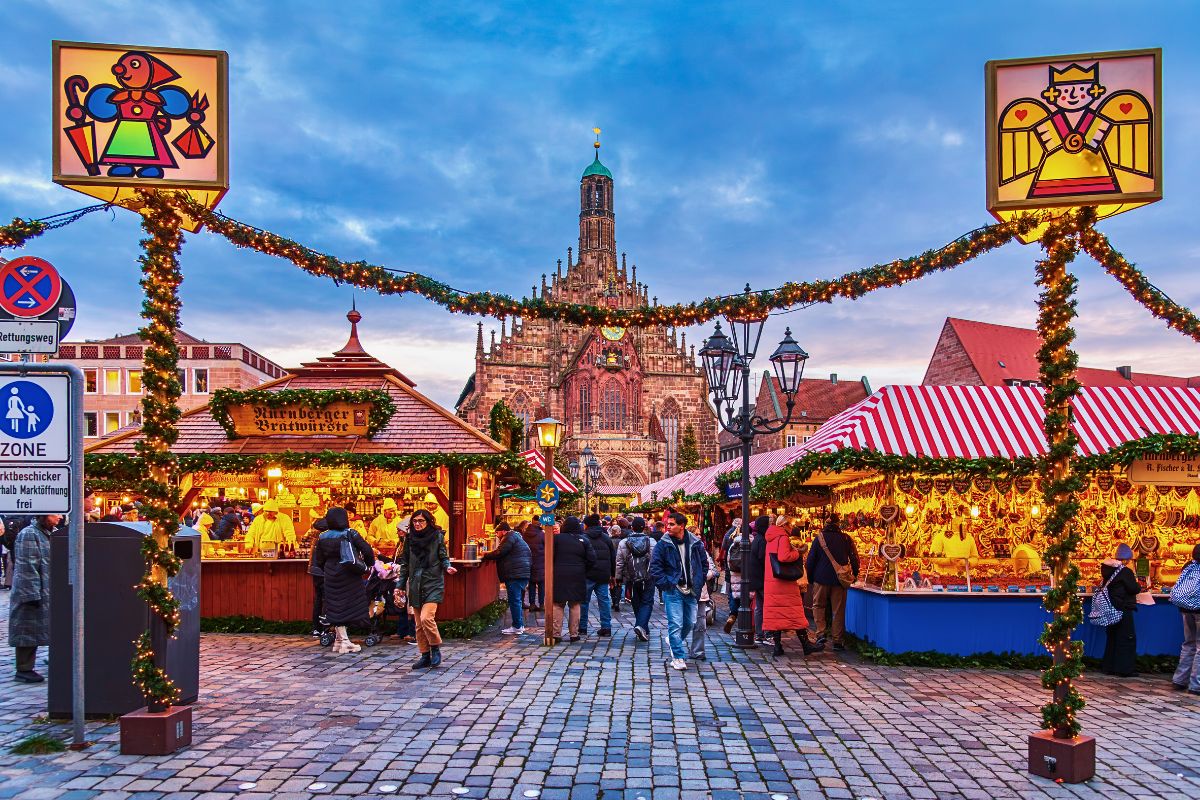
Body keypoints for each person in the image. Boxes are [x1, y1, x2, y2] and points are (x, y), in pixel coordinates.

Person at [394, 509, 456, 669]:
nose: (417, 524)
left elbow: (443, 556)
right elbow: (405, 564)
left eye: (421, 521)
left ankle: (435, 647)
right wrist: (400, 585)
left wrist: (447, 566)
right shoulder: (409, 539)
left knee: (426, 618)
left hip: (433, 582)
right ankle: (425, 655)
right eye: (415, 521)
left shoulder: (437, 537)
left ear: (428, 522)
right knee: (419, 625)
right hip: (415, 584)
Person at [649, 511, 710, 671]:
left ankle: (672, 640)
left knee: (690, 622)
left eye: (671, 524)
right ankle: (678, 657)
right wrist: (666, 583)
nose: (668, 527)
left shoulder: (696, 543)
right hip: (673, 589)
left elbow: (704, 564)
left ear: (681, 526)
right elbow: (655, 566)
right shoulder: (663, 544)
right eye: (667, 524)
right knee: (675, 623)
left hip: (691, 590)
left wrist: (699, 580)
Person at [314, 507, 374, 655]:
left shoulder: (323, 536)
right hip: (349, 574)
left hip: (331, 574)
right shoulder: (350, 533)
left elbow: (319, 559)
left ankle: (339, 640)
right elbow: (367, 550)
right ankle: (345, 642)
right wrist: (368, 565)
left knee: (335, 606)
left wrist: (328, 568)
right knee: (350, 605)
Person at [10, 515, 61, 682]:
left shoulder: (52, 533)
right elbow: (27, 566)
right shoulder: (29, 534)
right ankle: (24, 669)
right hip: (33, 592)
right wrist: (31, 594)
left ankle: (54, 660)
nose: (60, 517)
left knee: (44, 628)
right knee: (27, 630)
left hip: (47, 589)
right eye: (55, 514)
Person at [763, 518, 823, 658]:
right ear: (784, 525)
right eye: (790, 524)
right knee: (795, 613)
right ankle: (806, 645)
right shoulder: (783, 537)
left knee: (776, 615)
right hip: (784, 583)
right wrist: (798, 553)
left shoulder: (771, 537)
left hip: (773, 581)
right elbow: (784, 557)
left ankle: (777, 647)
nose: (792, 527)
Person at [806, 513, 860, 651]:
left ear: (826, 524)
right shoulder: (846, 538)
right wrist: (855, 573)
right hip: (839, 580)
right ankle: (837, 640)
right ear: (838, 525)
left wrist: (811, 578)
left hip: (820, 578)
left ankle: (820, 633)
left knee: (818, 606)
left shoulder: (819, 538)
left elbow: (810, 560)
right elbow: (854, 557)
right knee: (838, 610)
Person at [481, 521, 532, 634]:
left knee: (514, 600)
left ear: (503, 531)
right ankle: (519, 625)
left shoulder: (509, 537)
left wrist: (485, 555)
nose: (496, 535)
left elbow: (500, 552)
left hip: (515, 573)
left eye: (497, 532)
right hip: (521, 572)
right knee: (517, 600)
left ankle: (517, 626)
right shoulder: (515, 536)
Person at [1100, 542, 1141, 677]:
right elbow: (1133, 588)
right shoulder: (1125, 571)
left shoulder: (1108, 570)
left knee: (1112, 638)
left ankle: (1109, 666)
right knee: (1126, 638)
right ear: (1126, 558)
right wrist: (1139, 586)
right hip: (1123, 607)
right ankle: (1124, 669)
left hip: (1111, 609)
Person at [551, 517, 595, 643]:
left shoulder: (556, 539)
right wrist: (583, 569)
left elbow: (549, 556)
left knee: (558, 604)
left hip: (559, 574)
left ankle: (556, 634)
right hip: (577, 574)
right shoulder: (584, 540)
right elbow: (592, 559)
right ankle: (574, 634)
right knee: (575, 604)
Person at [615, 516, 655, 641]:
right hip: (648, 577)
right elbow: (655, 560)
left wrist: (618, 577)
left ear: (632, 527)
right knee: (647, 601)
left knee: (636, 601)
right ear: (644, 528)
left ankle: (641, 626)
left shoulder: (624, 542)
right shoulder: (651, 542)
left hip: (631, 577)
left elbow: (619, 562)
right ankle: (642, 626)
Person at [1170, 544, 1200, 695]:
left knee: (1189, 644)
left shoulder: (1188, 566)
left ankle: (1179, 680)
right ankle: (1196, 685)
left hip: (1185, 610)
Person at [580, 514, 615, 637]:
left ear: (587, 525)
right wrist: (613, 574)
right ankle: (606, 627)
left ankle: (582, 627)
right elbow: (613, 557)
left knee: (584, 602)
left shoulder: (583, 538)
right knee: (604, 601)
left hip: (587, 574)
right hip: (603, 574)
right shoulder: (606, 538)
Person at [719, 518, 744, 634]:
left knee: (733, 592)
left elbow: (724, 548)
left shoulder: (729, 534)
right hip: (745, 570)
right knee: (746, 592)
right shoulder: (747, 537)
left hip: (732, 569)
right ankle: (745, 616)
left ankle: (732, 614)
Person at [747, 517, 769, 643]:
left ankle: (760, 634)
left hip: (756, 578)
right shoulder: (762, 540)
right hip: (761, 578)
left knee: (759, 607)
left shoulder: (757, 539)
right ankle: (766, 633)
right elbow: (763, 558)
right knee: (765, 606)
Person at [305, 518, 329, 636]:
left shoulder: (316, 538)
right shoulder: (325, 539)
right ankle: (325, 628)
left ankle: (316, 628)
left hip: (315, 572)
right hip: (324, 572)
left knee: (319, 599)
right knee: (326, 599)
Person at [522, 519, 546, 611]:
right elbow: (547, 546)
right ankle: (541, 604)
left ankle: (532, 604)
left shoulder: (525, 535)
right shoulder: (541, 534)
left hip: (529, 562)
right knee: (541, 584)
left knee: (531, 584)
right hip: (541, 562)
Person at [609, 522, 626, 611]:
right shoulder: (622, 542)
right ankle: (617, 602)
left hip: (611, 564)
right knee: (619, 584)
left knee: (612, 583)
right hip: (620, 564)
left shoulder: (608, 541)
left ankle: (613, 601)